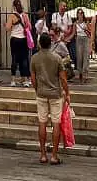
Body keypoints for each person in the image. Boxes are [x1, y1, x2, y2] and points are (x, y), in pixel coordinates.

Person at [30, 32, 70, 166]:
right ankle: (54, 155)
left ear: (40, 43)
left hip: (41, 93)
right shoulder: (57, 58)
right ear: (50, 43)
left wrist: (37, 89)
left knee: (42, 122)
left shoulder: (34, 58)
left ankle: (42, 154)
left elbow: (33, 78)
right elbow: (63, 78)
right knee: (56, 123)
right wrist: (67, 92)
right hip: (55, 93)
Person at [6, 0, 32, 87]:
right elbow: (30, 27)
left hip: (14, 39)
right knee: (24, 59)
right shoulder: (25, 15)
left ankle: (13, 80)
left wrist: (11, 25)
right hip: (23, 39)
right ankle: (25, 80)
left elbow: (7, 28)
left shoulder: (12, 16)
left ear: (13, 6)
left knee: (14, 59)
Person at [52, 1, 74, 67]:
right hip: (57, 38)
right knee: (57, 55)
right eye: (63, 6)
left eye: (65, 6)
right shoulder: (54, 15)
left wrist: (65, 32)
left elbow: (70, 28)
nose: (65, 7)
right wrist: (62, 30)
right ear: (59, 6)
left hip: (66, 38)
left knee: (66, 56)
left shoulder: (68, 16)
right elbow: (54, 26)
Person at [73, 8, 91, 84]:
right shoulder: (75, 24)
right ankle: (80, 73)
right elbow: (74, 33)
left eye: (82, 13)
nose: (80, 14)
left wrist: (86, 29)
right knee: (79, 57)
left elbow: (90, 32)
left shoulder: (86, 22)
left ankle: (85, 75)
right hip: (78, 39)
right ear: (77, 14)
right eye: (79, 13)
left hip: (86, 39)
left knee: (86, 57)